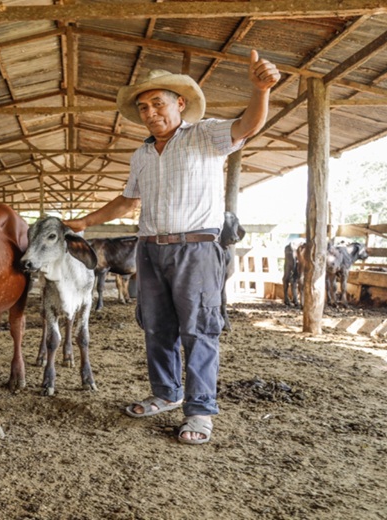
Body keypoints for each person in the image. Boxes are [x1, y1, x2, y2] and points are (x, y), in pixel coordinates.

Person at [64, 50, 280, 445]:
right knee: (157, 326)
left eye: (158, 103)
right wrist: (86, 222)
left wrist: (260, 89)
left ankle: (199, 410)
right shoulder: (142, 154)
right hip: (149, 249)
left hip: (195, 249)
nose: (150, 112)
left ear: (180, 104)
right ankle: (166, 393)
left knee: (198, 329)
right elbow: (128, 201)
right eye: (144, 107)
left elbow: (248, 125)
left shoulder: (206, 135)